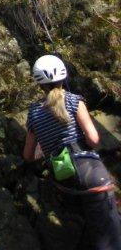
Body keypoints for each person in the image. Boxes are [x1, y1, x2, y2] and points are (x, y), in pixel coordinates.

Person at [23, 54, 121, 250]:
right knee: (109, 236)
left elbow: (27, 155)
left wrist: (49, 148)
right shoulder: (75, 101)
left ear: (39, 83)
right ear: (62, 76)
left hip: (64, 181)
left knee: (87, 234)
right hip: (90, 173)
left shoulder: (34, 113)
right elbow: (93, 139)